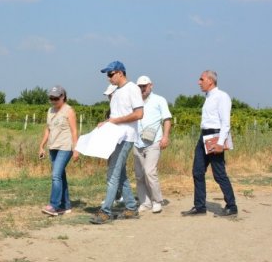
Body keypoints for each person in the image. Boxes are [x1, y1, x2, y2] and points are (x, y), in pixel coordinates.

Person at [90, 61, 144, 224]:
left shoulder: (132, 88)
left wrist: (115, 121)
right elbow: (116, 116)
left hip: (126, 137)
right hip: (115, 136)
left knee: (112, 174)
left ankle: (106, 211)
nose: (108, 78)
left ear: (120, 73)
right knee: (120, 174)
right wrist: (107, 122)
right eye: (107, 75)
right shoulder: (116, 92)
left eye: (110, 74)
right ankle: (131, 207)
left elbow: (139, 114)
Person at [182, 70, 238, 218]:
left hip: (215, 135)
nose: (198, 82)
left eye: (201, 79)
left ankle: (232, 206)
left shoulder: (222, 97)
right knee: (197, 171)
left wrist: (220, 143)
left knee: (219, 174)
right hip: (204, 135)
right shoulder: (208, 97)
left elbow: (226, 122)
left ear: (210, 81)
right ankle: (200, 206)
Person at [133, 76, 172, 214]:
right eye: (140, 86)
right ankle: (145, 202)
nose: (142, 89)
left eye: (144, 86)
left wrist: (165, 137)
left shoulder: (159, 100)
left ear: (151, 85)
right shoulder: (134, 101)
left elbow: (167, 119)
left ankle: (157, 201)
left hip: (154, 142)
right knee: (139, 175)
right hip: (137, 142)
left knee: (150, 172)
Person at [39, 85, 79, 216]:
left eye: (56, 98)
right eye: (51, 98)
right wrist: (42, 145)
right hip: (53, 146)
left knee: (55, 175)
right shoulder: (50, 111)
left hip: (65, 147)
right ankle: (65, 205)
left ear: (63, 97)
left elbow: (74, 131)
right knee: (60, 175)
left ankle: (54, 205)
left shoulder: (69, 111)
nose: (53, 101)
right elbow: (48, 129)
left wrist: (76, 149)